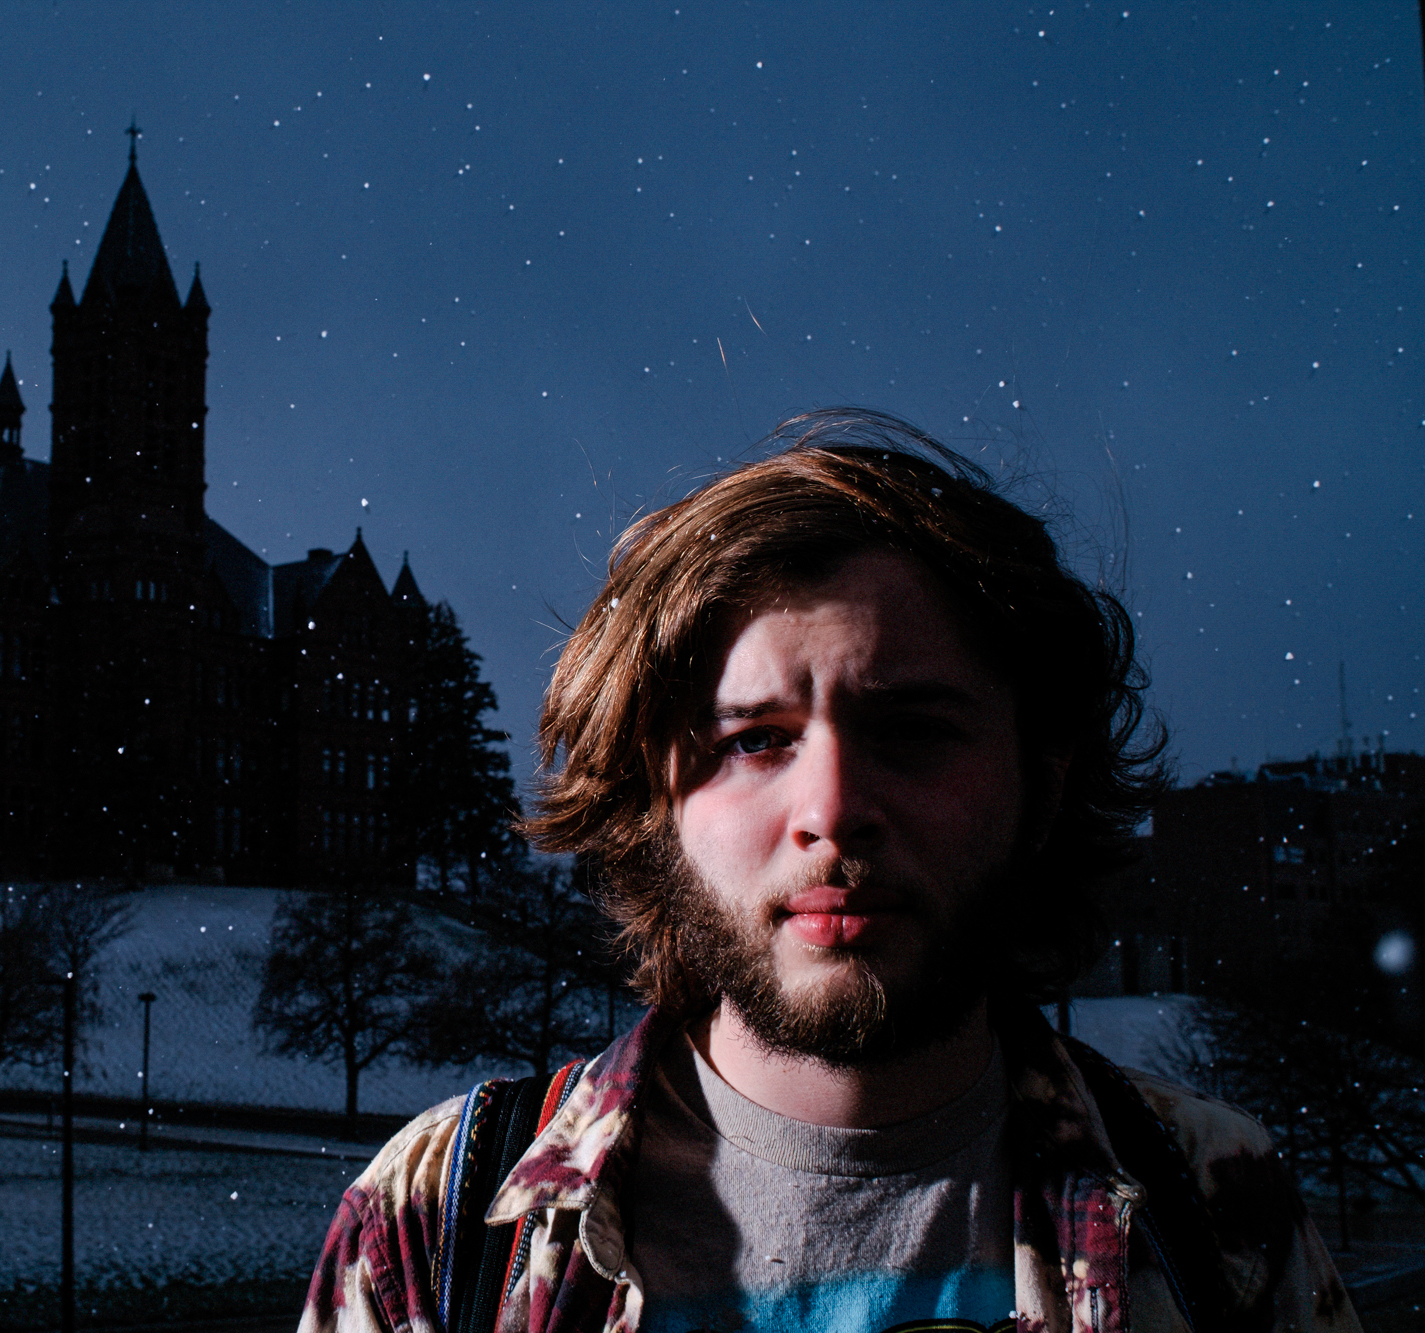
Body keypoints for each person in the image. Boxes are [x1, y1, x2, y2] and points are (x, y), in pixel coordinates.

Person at [298, 410, 1359, 1333]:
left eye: (913, 731)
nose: (833, 811)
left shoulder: (1211, 1211)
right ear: (651, 796)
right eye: (754, 739)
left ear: (1041, 780)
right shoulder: (434, 1224)